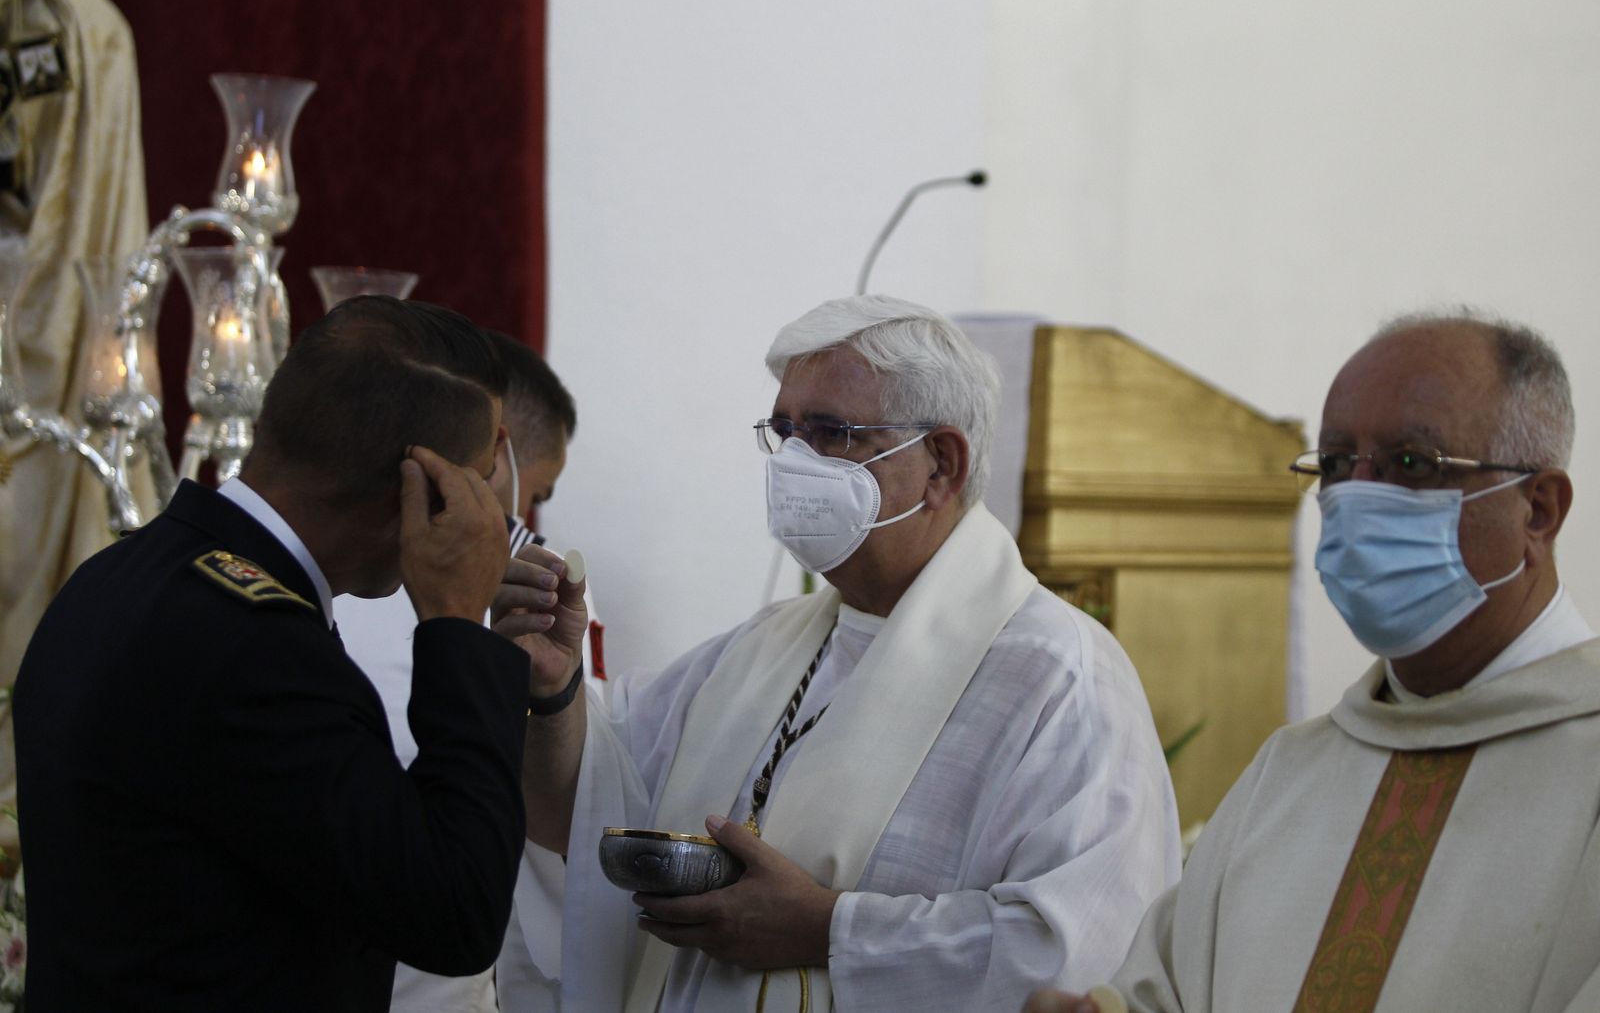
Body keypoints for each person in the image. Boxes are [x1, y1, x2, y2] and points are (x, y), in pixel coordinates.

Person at [497, 295, 1181, 1012]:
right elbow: (585, 811)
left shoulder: (1060, 678)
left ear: (941, 463)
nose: (795, 461)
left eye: (830, 432)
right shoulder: (759, 649)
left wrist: (827, 929)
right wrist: (554, 690)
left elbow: (1077, 951)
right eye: (785, 431)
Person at [1024, 310, 1600, 1013]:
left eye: (1411, 464)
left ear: (1537, 510)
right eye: (1333, 466)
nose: (1354, 498)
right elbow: (1167, 992)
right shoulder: (1288, 771)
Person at [14, 296, 534, 1013]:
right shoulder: (261, 654)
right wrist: (456, 622)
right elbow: (455, 910)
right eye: (476, 488)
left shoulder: (122, 573)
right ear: (416, 492)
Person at [334, 329, 582, 1013]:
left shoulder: (331, 565)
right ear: (498, 454)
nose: (529, 517)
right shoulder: (536, 578)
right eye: (540, 491)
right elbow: (557, 819)